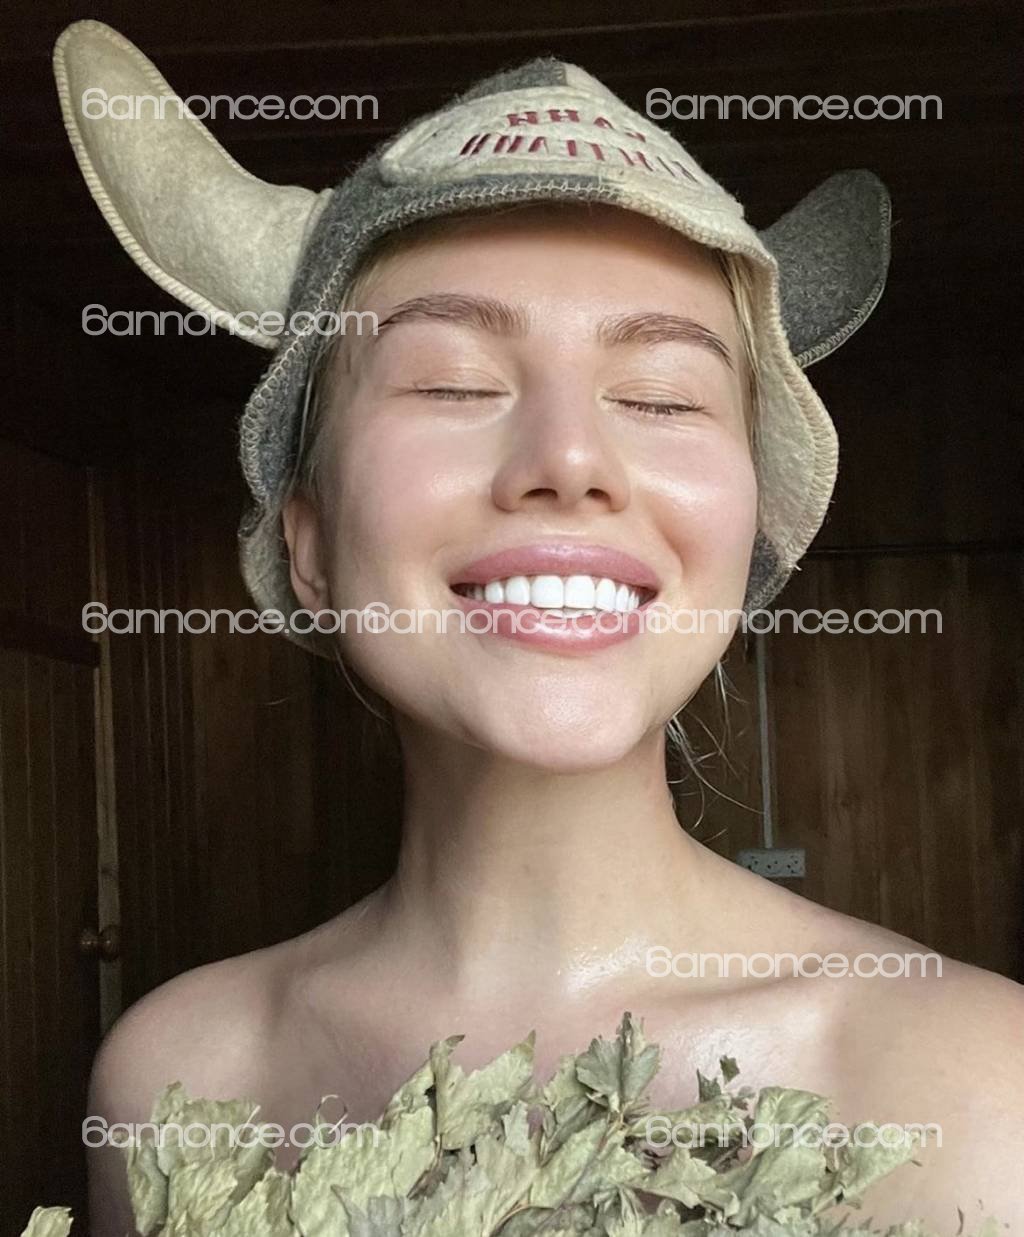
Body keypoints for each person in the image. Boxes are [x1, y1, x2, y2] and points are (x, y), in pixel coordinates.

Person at [53, 22, 1023, 1234]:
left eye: (660, 396)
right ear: (306, 545)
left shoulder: (987, 1094)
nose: (568, 458)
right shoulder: (172, 1086)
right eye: (453, 382)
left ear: (747, 539)